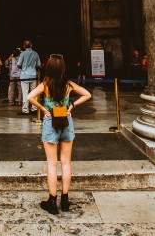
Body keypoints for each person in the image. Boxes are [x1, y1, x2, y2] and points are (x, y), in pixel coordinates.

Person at [27, 53, 91, 215]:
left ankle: (52, 200)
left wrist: (43, 110)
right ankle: (64, 199)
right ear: (63, 68)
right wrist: (72, 106)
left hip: (51, 121)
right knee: (66, 163)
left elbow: (30, 97)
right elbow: (87, 94)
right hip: (66, 121)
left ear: (49, 68)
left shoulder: (46, 84)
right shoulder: (68, 85)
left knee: (51, 164)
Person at [18, 40, 40, 116]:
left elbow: (18, 65)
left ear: (24, 46)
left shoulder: (23, 54)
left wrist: (24, 67)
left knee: (25, 92)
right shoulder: (36, 53)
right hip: (33, 75)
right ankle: (34, 108)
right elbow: (38, 65)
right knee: (34, 92)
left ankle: (25, 110)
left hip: (24, 75)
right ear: (31, 45)